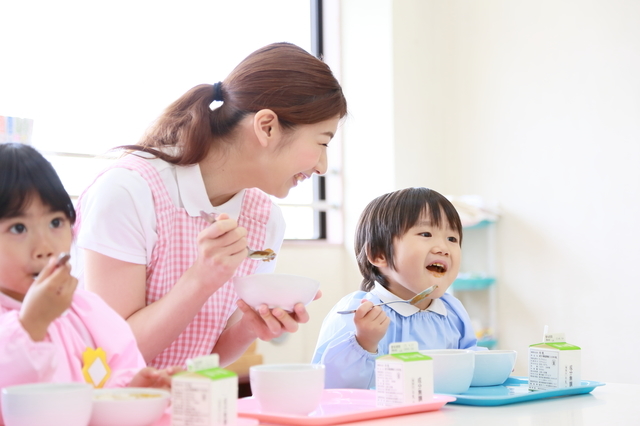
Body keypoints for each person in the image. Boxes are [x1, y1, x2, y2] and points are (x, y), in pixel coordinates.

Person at [72, 42, 348, 369]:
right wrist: (200, 280)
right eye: (322, 143)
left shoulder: (264, 220)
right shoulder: (129, 192)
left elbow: (205, 357)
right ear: (267, 127)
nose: (322, 166)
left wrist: (249, 326)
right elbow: (112, 357)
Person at [0, 143, 180, 399]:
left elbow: (114, 374)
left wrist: (134, 389)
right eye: (19, 228)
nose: (45, 247)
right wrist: (31, 325)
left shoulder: (86, 309)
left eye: (55, 222)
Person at [312, 187, 484, 389]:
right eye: (426, 233)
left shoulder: (452, 311)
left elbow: (471, 360)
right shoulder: (359, 313)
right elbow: (330, 388)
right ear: (379, 254)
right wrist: (364, 342)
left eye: (452, 239)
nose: (443, 248)